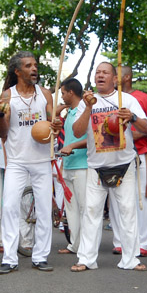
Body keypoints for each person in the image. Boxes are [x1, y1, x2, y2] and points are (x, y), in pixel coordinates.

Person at [69, 61, 147, 272]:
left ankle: (131, 259)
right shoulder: (85, 103)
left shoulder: (127, 100)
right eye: (97, 72)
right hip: (96, 167)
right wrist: (88, 107)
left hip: (124, 165)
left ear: (115, 79)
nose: (100, 75)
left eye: (105, 72)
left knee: (127, 212)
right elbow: (78, 132)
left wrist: (131, 117)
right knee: (91, 212)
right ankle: (86, 259)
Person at [0, 51, 55, 274]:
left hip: (41, 160)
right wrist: (0, 115)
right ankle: (9, 258)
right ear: (17, 71)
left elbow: (51, 122)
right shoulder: (8, 96)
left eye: (35, 65)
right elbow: (2, 132)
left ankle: (41, 256)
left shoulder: (45, 94)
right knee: (9, 207)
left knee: (44, 209)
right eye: (28, 66)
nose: (34, 69)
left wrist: (54, 124)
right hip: (16, 161)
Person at [120, 65, 147, 256]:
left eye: (116, 72)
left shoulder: (143, 98)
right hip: (118, 156)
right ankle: (122, 242)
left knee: (143, 199)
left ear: (127, 77)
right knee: (122, 200)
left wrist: (131, 136)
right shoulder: (110, 98)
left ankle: (145, 243)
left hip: (141, 153)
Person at [55, 78, 87, 256]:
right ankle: (74, 244)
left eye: (63, 93)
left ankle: (86, 247)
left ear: (71, 93)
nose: (62, 97)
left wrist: (72, 147)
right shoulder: (70, 112)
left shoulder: (84, 110)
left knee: (84, 208)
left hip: (83, 166)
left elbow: (92, 139)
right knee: (71, 208)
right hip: (68, 165)